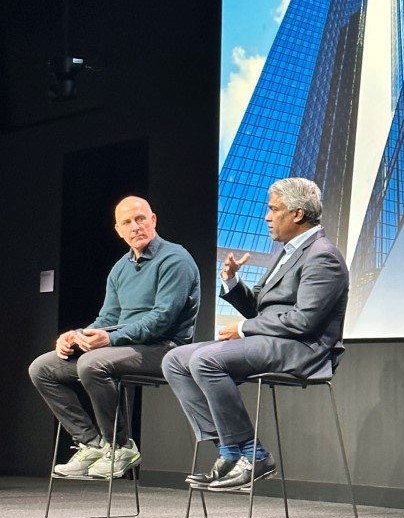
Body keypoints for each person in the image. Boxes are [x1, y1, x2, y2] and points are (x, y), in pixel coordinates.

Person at [162, 176, 348, 491]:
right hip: (272, 340)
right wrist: (233, 282)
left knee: (206, 360)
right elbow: (259, 308)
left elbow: (305, 321)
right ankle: (230, 452)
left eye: (273, 209)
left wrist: (245, 329)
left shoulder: (322, 255)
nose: (267, 216)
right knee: (175, 360)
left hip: (303, 348)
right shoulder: (286, 252)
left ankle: (253, 455)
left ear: (297, 214)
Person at [29, 196, 201, 480]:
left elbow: (162, 319)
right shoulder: (121, 267)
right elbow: (108, 319)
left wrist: (109, 340)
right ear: (118, 230)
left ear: (153, 220)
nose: (135, 226)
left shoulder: (175, 259)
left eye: (140, 219)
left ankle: (121, 446)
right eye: (127, 222)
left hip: (166, 349)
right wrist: (77, 336)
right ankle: (92, 444)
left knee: (92, 364)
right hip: (125, 347)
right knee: (43, 368)